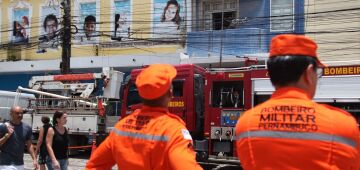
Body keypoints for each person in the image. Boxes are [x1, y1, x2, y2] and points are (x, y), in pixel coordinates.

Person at [235, 34, 360, 169]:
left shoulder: (245, 125)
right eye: (317, 73)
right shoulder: (343, 125)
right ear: (308, 73)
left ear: (271, 75)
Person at [86, 64, 202, 170]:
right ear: (170, 94)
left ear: (140, 94)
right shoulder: (174, 131)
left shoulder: (121, 128)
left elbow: (94, 166)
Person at [0, 106, 38, 170]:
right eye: (17, 113)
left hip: (19, 164)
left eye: (21, 113)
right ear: (11, 114)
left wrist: (34, 159)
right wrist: (7, 136)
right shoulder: (4, 127)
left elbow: (29, 145)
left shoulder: (27, 128)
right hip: (6, 164)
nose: (20, 115)